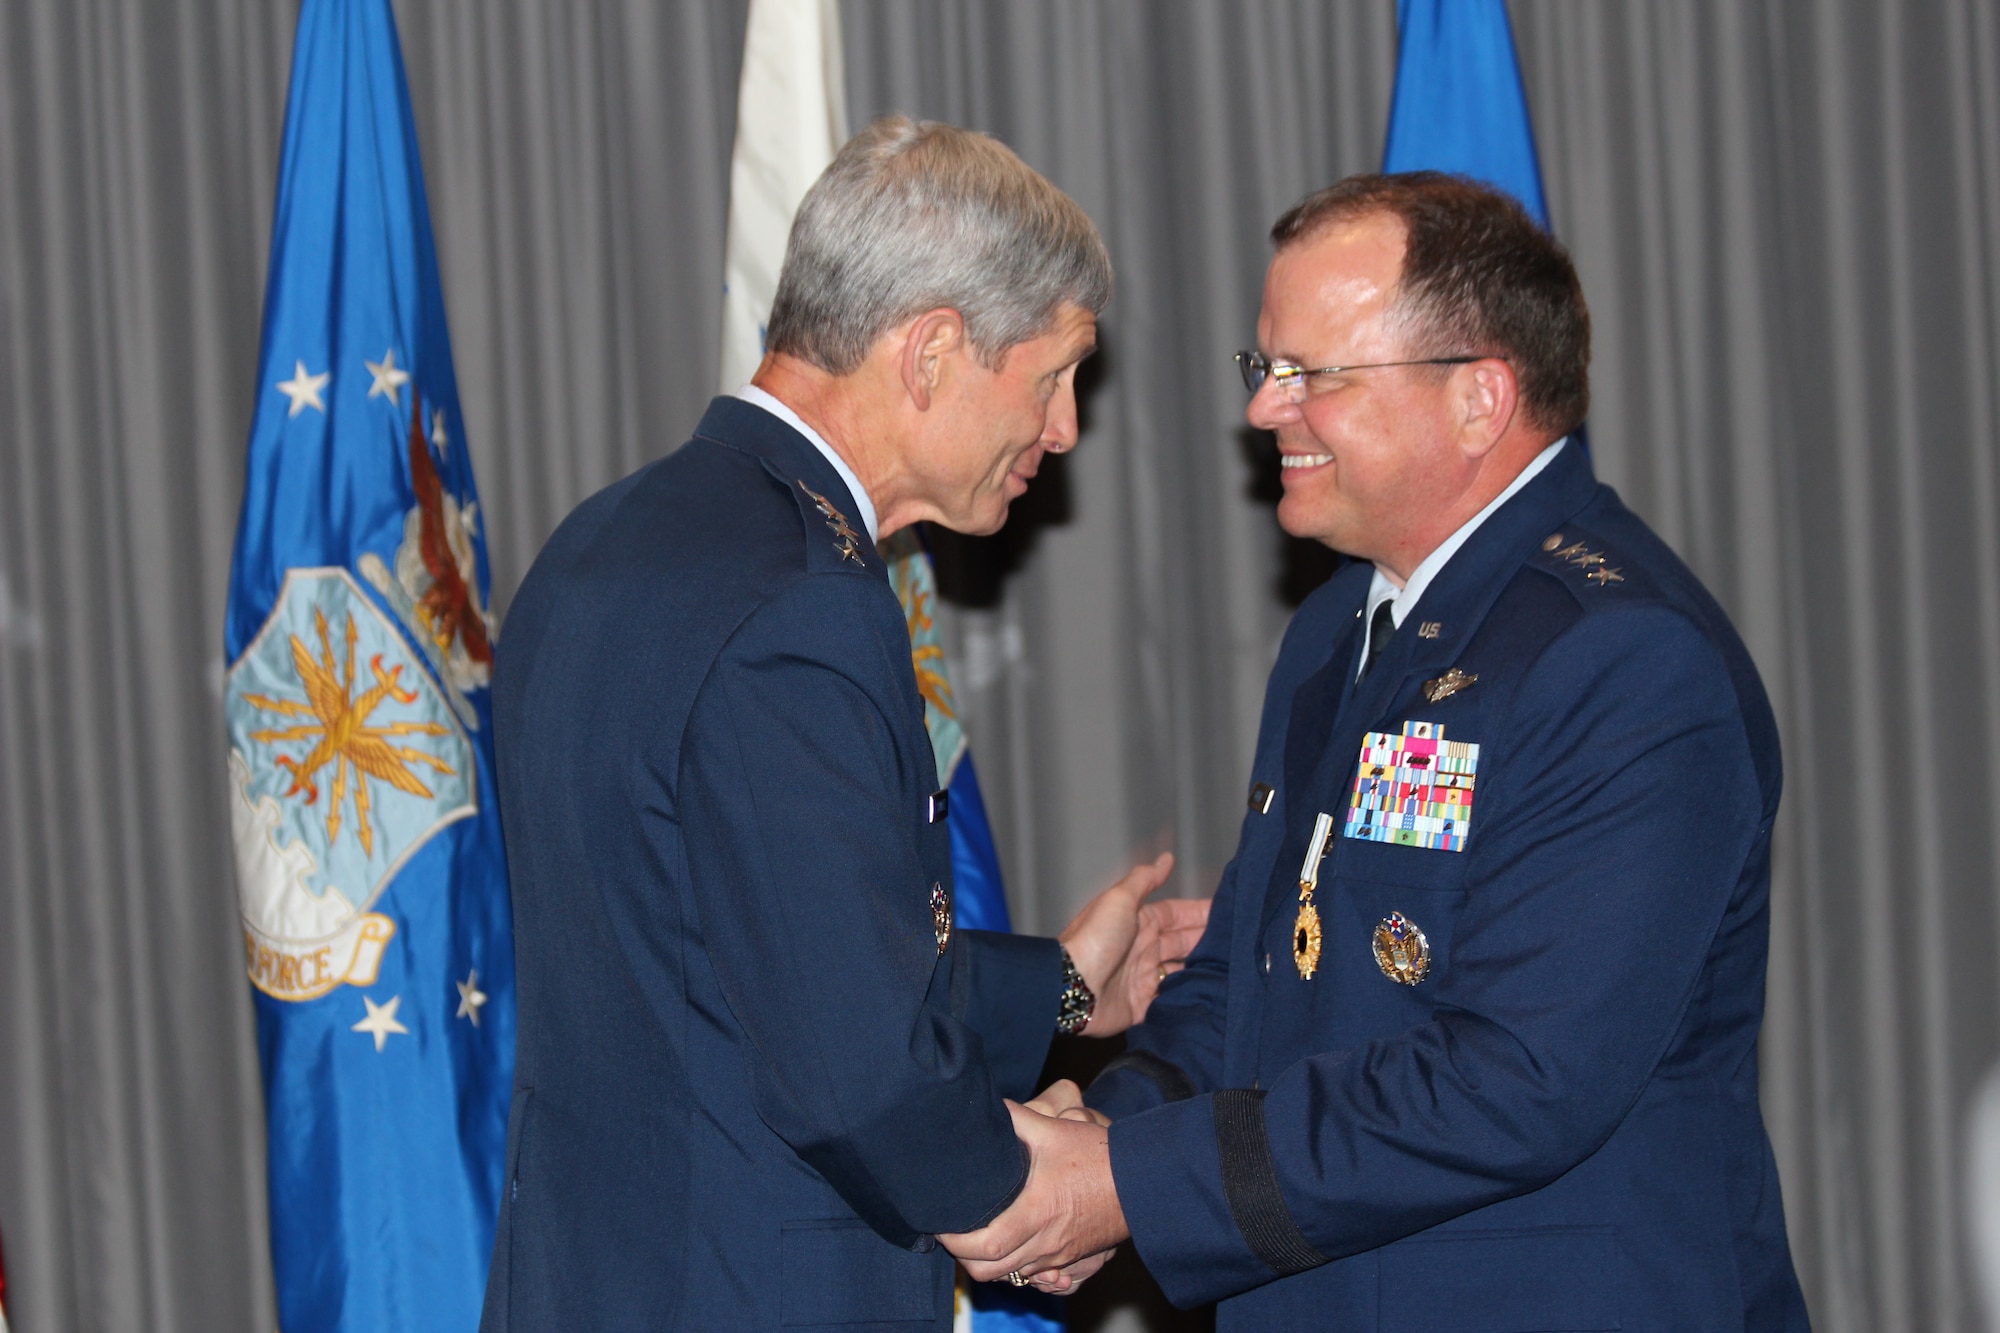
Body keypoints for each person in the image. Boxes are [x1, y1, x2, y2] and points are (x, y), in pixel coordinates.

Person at [943, 173, 1812, 1330]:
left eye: (1315, 374)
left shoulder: (1622, 658)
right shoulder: (1336, 631)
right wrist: (1116, 1120)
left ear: (1478, 399)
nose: (1265, 411)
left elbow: (1513, 1083)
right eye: (1266, 368)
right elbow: (1264, 962)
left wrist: (1123, 1186)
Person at [481, 117, 1207, 1332]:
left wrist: (1065, 990)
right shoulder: (802, 600)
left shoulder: (609, 537)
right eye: (1051, 375)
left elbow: (740, 951)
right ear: (928, 352)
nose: (1066, 428)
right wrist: (1039, 1195)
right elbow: (853, 1072)